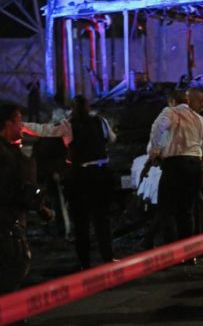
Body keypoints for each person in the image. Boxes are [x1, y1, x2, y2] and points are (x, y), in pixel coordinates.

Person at [148, 88, 203, 249]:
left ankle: (171, 252)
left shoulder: (171, 112)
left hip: (175, 165)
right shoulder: (199, 119)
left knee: (168, 208)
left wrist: (154, 152)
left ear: (172, 101)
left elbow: (157, 128)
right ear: (188, 101)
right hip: (195, 165)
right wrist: (195, 152)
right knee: (187, 209)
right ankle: (189, 253)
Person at [0, 102, 54, 293]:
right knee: (14, 269)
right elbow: (19, 189)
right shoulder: (6, 155)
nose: (22, 126)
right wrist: (39, 206)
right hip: (8, 226)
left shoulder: (12, 151)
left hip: (12, 222)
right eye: (18, 121)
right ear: (7, 124)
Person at [63, 95, 117, 269]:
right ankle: (107, 257)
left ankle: (84, 262)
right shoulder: (100, 121)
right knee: (102, 219)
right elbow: (112, 139)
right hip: (100, 174)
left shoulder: (68, 125)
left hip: (79, 176)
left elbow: (66, 145)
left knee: (81, 222)